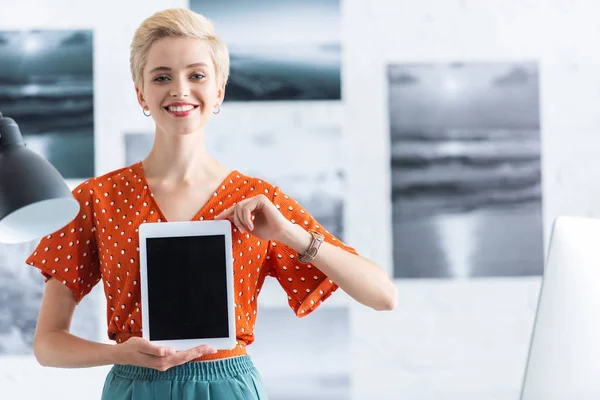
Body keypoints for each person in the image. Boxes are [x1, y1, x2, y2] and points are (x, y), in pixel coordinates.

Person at [24, 7, 397, 400]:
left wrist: (289, 233)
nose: (180, 90)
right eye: (162, 77)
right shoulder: (97, 199)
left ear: (218, 89)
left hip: (229, 386)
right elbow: (48, 344)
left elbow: (383, 296)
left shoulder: (258, 200)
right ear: (141, 93)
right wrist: (118, 354)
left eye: (196, 75)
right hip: (135, 387)